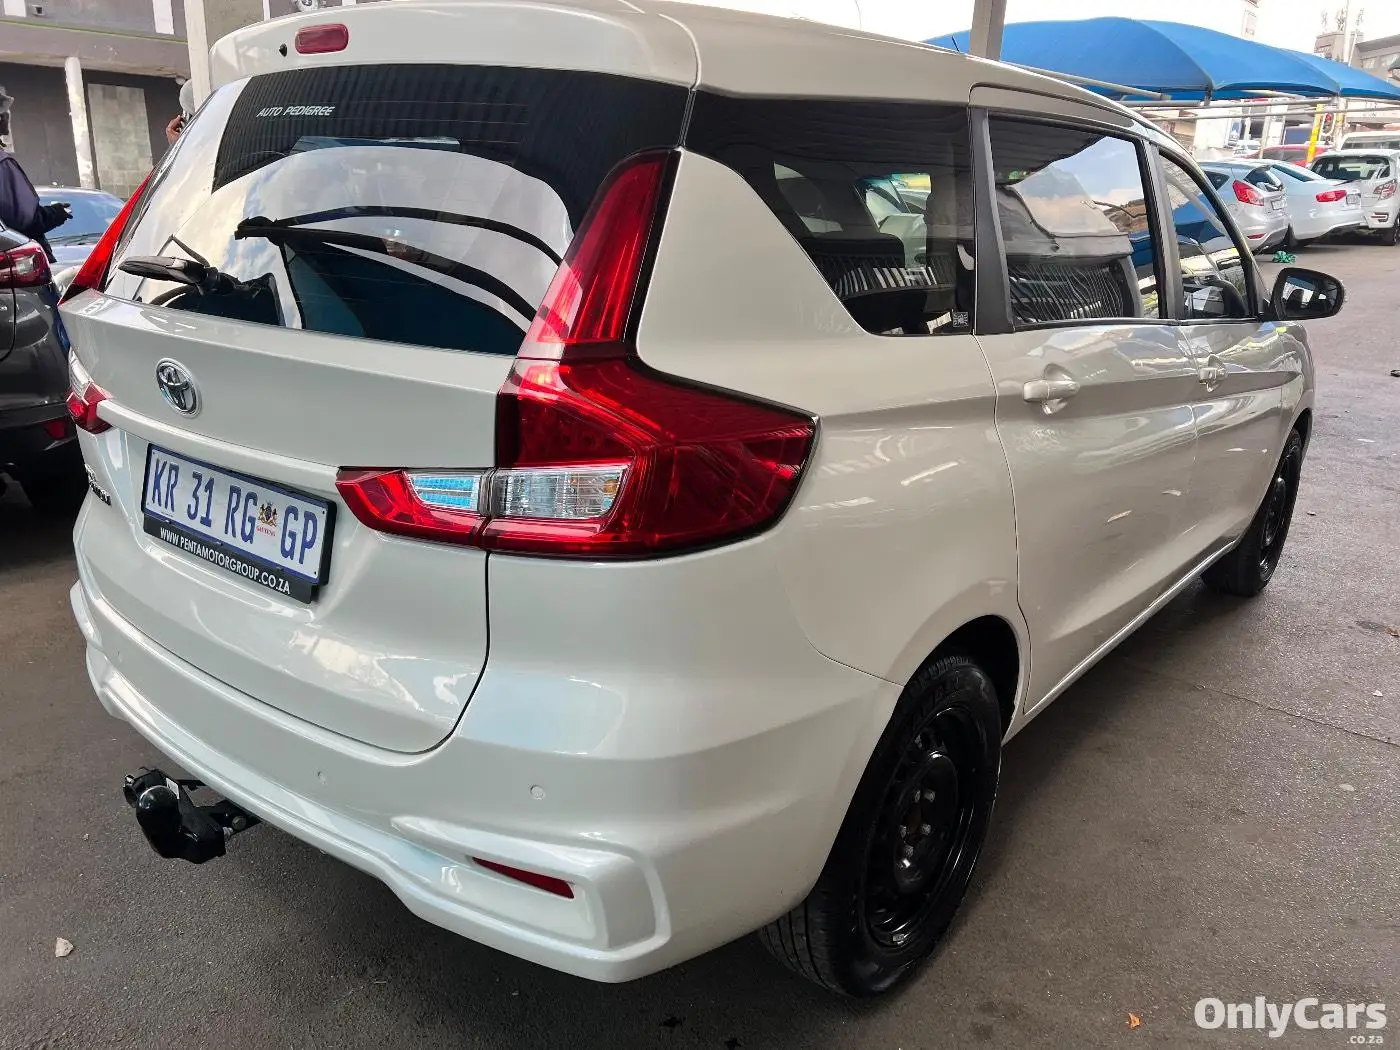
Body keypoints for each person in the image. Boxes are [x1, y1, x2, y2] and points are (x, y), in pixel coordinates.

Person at [0, 85, 72, 261]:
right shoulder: (2, 164)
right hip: (21, 264)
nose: (7, 115)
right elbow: (25, 221)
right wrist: (56, 213)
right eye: (4, 110)